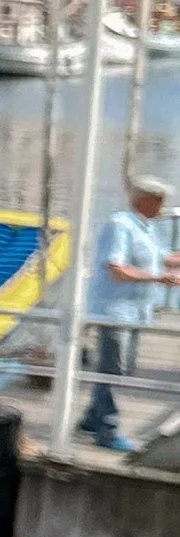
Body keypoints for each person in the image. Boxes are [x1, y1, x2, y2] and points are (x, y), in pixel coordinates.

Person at [80, 174, 177, 450]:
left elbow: (163, 258)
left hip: (136, 311)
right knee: (113, 370)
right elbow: (116, 269)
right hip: (114, 311)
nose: (162, 207)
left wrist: (168, 269)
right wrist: (157, 279)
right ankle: (107, 431)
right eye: (159, 201)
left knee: (119, 368)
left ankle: (90, 418)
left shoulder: (146, 228)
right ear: (144, 200)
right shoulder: (119, 225)